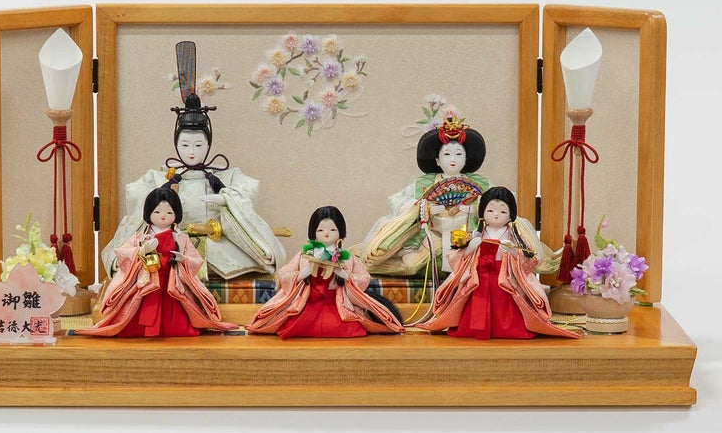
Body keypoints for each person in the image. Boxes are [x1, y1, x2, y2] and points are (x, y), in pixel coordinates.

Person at [101, 41, 286, 280]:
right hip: (168, 245)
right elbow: (138, 199)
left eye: (198, 145)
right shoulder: (159, 177)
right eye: (185, 145)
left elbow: (247, 190)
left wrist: (227, 199)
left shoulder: (225, 176)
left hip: (219, 245)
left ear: (208, 145)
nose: (191, 152)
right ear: (176, 144)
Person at [419, 187, 580, 340]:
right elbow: (454, 258)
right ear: (482, 213)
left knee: (505, 305)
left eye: (502, 211)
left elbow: (530, 262)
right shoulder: (476, 234)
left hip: (505, 278)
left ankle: (509, 329)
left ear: (510, 215)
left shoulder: (514, 236)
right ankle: (473, 328)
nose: (496, 215)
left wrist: (513, 252)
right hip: (478, 277)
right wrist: (469, 250)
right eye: (490, 210)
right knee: (473, 304)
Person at [82, 187, 237, 338]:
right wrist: (140, 251)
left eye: (169, 212)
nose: (163, 216)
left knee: (175, 310)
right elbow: (123, 252)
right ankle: (140, 329)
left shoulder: (180, 237)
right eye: (157, 212)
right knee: (142, 304)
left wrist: (182, 259)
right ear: (149, 212)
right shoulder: (141, 236)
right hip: (147, 277)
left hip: (171, 280)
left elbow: (196, 260)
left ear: (176, 214)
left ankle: (172, 328)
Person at [360, 114, 490, 276]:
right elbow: (396, 200)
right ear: (437, 160)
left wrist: (476, 208)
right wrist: (424, 208)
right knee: (411, 265)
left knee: (481, 264)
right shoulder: (424, 183)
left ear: (466, 159)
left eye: (458, 154)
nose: (453, 159)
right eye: (447, 154)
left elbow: (501, 204)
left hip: (468, 236)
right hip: (433, 236)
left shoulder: (481, 183)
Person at [247, 206, 403, 339]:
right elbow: (283, 275)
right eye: (321, 229)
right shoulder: (305, 254)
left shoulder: (346, 257)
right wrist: (304, 273)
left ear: (340, 232)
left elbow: (364, 278)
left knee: (350, 327)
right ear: (313, 232)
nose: (326, 233)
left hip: (337, 304)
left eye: (332, 229)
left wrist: (343, 274)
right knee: (292, 324)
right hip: (308, 303)